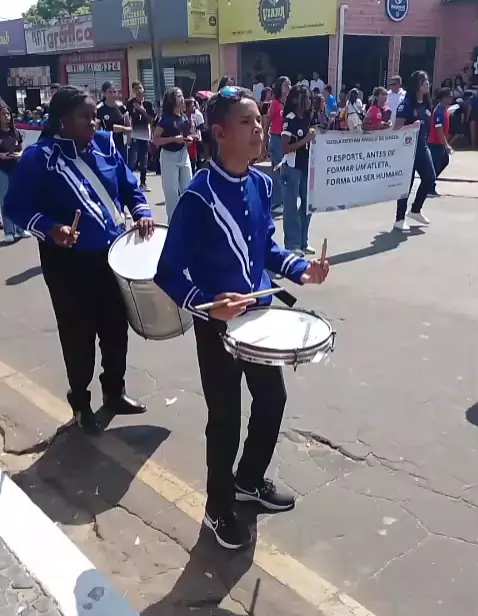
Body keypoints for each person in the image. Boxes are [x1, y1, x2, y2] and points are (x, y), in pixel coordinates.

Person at [154, 85, 329, 549]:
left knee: (272, 401)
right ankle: (218, 507)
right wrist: (207, 303)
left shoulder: (261, 184)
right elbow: (167, 270)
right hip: (218, 328)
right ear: (219, 133)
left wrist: (301, 269)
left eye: (260, 121)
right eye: (247, 122)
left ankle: (248, 480)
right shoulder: (198, 196)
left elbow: (266, 248)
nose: (259, 130)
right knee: (225, 419)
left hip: (260, 323)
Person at [3, 86, 154, 433]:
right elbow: (15, 206)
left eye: (94, 116)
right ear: (62, 121)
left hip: (112, 256)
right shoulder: (39, 158)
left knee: (116, 330)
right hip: (67, 264)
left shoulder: (104, 144)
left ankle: (114, 392)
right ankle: (81, 402)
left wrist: (142, 211)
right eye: (85, 117)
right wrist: (51, 229)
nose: (93, 122)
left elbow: (129, 185)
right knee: (78, 336)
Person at [394, 70, 436, 232]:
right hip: (407, 150)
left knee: (430, 178)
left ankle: (416, 210)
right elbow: (396, 129)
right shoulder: (406, 104)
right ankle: (399, 219)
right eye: (423, 80)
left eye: (427, 80)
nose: (427, 83)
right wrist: (412, 126)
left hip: (422, 147)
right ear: (416, 84)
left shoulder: (426, 103)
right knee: (406, 184)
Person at [281, 84, 315, 256]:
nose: (309, 101)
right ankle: (292, 245)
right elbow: (285, 148)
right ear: (295, 100)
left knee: (308, 205)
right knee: (291, 208)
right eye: (305, 98)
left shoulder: (309, 118)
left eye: (309, 97)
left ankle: (303, 242)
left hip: (306, 167)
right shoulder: (290, 119)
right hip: (292, 168)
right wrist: (306, 139)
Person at [152, 87, 193, 221]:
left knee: (187, 189)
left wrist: (188, 140)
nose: (182, 99)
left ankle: (187, 221)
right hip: (169, 156)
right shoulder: (165, 119)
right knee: (172, 193)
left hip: (183, 154)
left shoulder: (184, 118)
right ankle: (173, 223)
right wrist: (173, 139)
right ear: (172, 99)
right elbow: (155, 140)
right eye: (179, 96)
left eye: (182, 96)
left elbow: (185, 136)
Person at [0, 102, 30, 243]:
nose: (6, 116)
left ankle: (20, 229)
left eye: (8, 114)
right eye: (3, 114)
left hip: (16, 167)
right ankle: (9, 231)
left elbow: (21, 149)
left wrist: (19, 154)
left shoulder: (16, 132)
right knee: (5, 199)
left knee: (19, 198)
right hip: (2, 169)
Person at [265, 76, 291, 214]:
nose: (288, 87)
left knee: (286, 170)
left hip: (287, 140)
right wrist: (264, 139)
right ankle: (276, 202)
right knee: (277, 170)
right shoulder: (275, 103)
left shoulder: (289, 104)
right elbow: (267, 122)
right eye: (286, 85)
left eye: (290, 85)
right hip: (276, 139)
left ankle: (283, 200)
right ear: (280, 87)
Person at [127, 82, 154, 192]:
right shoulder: (130, 104)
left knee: (144, 161)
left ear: (143, 89)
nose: (139, 90)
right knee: (133, 161)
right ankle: (129, 183)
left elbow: (151, 120)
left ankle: (143, 183)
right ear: (133, 91)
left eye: (140, 88)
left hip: (145, 135)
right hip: (134, 135)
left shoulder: (148, 104)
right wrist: (128, 135)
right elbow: (126, 119)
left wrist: (143, 111)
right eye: (136, 89)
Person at [97, 81, 131, 163]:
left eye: (114, 92)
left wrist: (122, 129)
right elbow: (96, 131)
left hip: (121, 144)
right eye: (110, 92)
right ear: (104, 93)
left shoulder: (121, 107)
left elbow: (130, 128)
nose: (113, 94)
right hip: (107, 145)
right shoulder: (99, 109)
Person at [428, 86, 453, 194]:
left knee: (444, 161)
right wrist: (446, 144)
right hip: (435, 143)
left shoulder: (444, 109)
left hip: (439, 142)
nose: (451, 99)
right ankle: (429, 186)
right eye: (449, 97)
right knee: (435, 165)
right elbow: (439, 129)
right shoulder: (439, 110)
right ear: (444, 97)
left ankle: (429, 182)